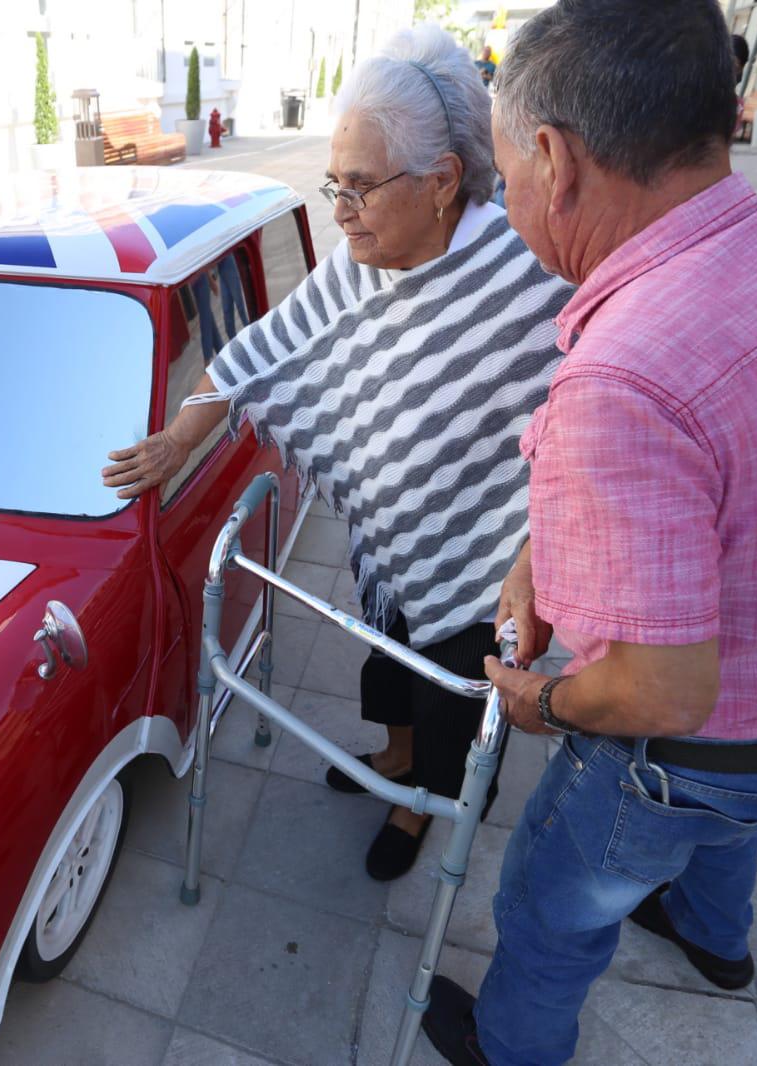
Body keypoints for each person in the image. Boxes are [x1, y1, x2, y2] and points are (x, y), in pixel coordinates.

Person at [418, 1, 757, 1064]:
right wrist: (539, 554)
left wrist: (543, 698)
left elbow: (663, 692)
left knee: (552, 908)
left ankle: (513, 1047)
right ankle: (715, 938)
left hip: (693, 754)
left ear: (554, 158)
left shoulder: (624, 378)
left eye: (503, 171)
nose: (507, 200)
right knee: (727, 829)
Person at [102, 25, 570, 881]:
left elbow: (583, 428)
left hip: (485, 558)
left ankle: (423, 803)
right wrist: (174, 441)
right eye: (333, 184)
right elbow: (257, 352)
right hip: (394, 532)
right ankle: (394, 758)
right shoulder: (361, 261)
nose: (339, 209)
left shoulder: (527, 277)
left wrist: (542, 554)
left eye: (359, 186)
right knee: (388, 661)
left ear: (440, 181)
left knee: (450, 699)